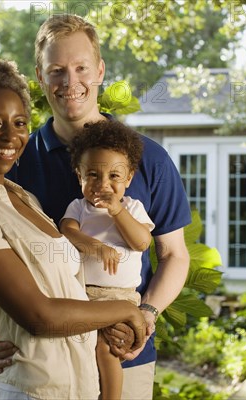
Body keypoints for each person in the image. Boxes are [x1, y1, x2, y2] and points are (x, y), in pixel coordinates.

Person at [0, 14, 191, 399]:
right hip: (38, 361)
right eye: (56, 70)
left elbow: (174, 254)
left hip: (123, 352)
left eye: (80, 68)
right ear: (40, 78)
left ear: (100, 71)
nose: (70, 82)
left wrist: (146, 314)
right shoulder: (16, 161)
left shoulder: (150, 159)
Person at [0, 56, 145, 400]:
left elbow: (53, 289)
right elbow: (39, 316)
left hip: (80, 386)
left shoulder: (20, 196)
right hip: (34, 389)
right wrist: (125, 310)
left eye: (19, 123)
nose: (11, 135)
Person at [61, 120, 155, 399]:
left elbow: (141, 242)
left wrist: (117, 211)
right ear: (79, 175)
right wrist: (94, 246)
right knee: (79, 349)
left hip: (120, 299)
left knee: (108, 348)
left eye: (114, 176)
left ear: (129, 178)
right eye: (92, 175)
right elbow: (66, 231)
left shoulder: (133, 208)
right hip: (82, 296)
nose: (103, 184)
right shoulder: (78, 207)